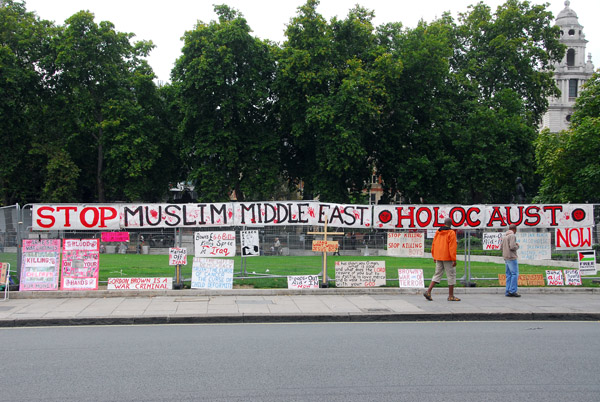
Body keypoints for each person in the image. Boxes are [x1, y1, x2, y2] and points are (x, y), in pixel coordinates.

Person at [423, 217, 460, 301]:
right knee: (451, 275)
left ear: (444, 223)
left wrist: (434, 256)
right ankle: (451, 296)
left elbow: (434, 244)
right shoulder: (451, 233)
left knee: (437, 274)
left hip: (438, 256)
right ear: (451, 224)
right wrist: (454, 259)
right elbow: (452, 247)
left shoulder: (438, 232)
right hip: (447, 257)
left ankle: (428, 291)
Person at [502, 224, 520, 297]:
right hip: (512, 257)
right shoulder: (512, 236)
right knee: (514, 274)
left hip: (506, 257)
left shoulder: (504, 236)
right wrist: (517, 246)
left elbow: (501, 247)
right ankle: (512, 290)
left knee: (508, 275)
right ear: (514, 229)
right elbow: (512, 247)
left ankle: (507, 290)